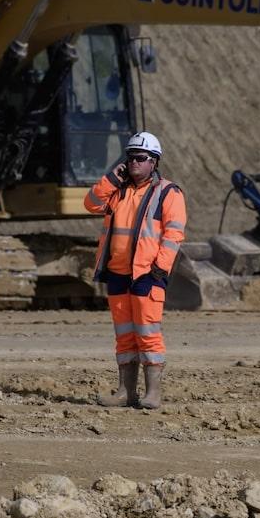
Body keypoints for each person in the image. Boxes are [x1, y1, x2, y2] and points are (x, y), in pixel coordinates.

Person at [84, 131, 186, 409]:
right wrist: (110, 179)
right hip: (118, 274)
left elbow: (174, 235)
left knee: (148, 333)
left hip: (147, 275)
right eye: (130, 158)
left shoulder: (168, 192)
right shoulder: (117, 190)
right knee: (125, 337)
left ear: (154, 161)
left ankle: (153, 392)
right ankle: (125, 393)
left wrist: (158, 270)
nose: (133, 163)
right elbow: (91, 203)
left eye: (140, 158)